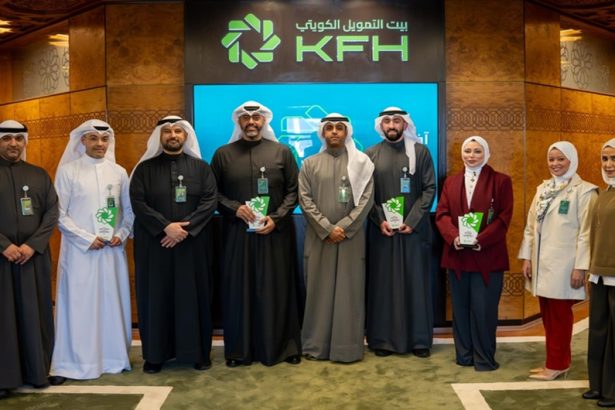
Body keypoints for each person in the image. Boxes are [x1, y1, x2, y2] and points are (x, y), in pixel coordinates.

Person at [210, 101, 302, 367]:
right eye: (246, 118)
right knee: (240, 290)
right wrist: (235, 208)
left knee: (277, 288)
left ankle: (284, 348)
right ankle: (239, 351)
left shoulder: (282, 152)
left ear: (264, 121)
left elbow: (293, 191)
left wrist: (277, 217)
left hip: (275, 234)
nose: (251, 122)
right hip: (237, 234)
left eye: (256, 117)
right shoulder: (223, 155)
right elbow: (212, 193)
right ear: (238, 122)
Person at [129, 116, 217, 373]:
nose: (173, 135)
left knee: (194, 297)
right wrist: (165, 227)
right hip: (155, 246)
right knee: (156, 297)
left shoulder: (201, 168)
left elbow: (209, 201)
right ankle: (155, 355)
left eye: (178, 131)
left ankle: (198, 353)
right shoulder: (144, 170)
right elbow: (138, 203)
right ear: (160, 136)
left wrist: (183, 229)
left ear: (185, 136)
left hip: (192, 246)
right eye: (167, 131)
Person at [48, 120, 134, 385]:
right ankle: (72, 363)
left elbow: (129, 211)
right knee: (79, 305)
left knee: (110, 303)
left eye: (104, 139)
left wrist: (121, 233)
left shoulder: (119, 172)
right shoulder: (68, 171)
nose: (100, 144)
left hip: (111, 251)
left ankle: (112, 359)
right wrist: (86, 238)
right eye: (94, 138)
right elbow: (58, 214)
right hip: (80, 253)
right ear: (82, 141)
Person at [298, 113, 374, 363]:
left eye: (339, 128)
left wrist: (343, 227)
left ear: (346, 132)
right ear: (322, 132)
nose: (334, 132)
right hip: (319, 237)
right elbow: (305, 200)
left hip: (351, 239)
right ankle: (316, 346)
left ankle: (346, 348)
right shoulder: (309, 164)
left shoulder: (362, 163)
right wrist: (326, 228)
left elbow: (366, 200)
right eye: (329, 127)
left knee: (349, 292)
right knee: (318, 291)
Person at [518, 141, 597, 381]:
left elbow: (586, 233)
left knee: (560, 317)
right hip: (541, 265)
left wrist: (580, 267)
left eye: (561, 159)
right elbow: (530, 227)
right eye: (551, 159)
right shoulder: (543, 189)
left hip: (565, 267)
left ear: (572, 160)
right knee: (548, 316)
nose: (555, 164)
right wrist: (526, 257)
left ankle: (558, 364)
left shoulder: (585, 192)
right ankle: (554, 361)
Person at [435, 136, 513, 371]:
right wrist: (454, 237)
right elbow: (442, 214)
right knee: (460, 310)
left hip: (487, 256)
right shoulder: (451, 182)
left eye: (477, 151)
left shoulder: (501, 181)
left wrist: (482, 239)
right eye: (467, 151)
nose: (471, 156)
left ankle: (484, 358)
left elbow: (504, 217)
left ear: (486, 154)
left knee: (484, 309)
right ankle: (464, 356)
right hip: (458, 255)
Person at [365, 107, 436, 358]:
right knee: (383, 285)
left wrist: (413, 220)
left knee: (415, 284)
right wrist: (379, 220)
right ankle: (383, 340)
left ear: (405, 125)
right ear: (381, 125)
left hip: (413, 233)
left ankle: (419, 340)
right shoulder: (370, 154)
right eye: (387, 121)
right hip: (382, 233)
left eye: (396, 121)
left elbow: (429, 189)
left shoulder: (420, 152)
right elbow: (366, 194)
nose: (392, 125)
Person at [0, 120, 58, 398]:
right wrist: (4, 245)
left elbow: (52, 212)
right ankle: (4, 379)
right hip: (2, 259)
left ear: (25, 142)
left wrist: (32, 245)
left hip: (32, 258)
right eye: (6, 138)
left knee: (35, 313)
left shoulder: (38, 174)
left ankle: (37, 372)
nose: (13, 144)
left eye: (18, 139)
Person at [584, 138, 615, 407]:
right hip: (599, 273)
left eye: (614, 159)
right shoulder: (605, 193)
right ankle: (598, 385)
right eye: (605, 159)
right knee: (598, 331)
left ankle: (612, 391)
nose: (608, 164)